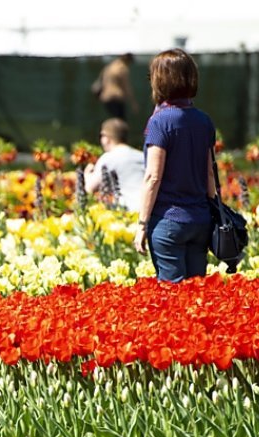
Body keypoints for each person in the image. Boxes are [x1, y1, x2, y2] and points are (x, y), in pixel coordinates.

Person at [133, 48, 217, 283]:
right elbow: (210, 173)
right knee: (196, 297)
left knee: (172, 303)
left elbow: (153, 177)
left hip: (168, 220)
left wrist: (142, 224)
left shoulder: (160, 122)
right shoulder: (204, 121)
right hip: (200, 220)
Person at [84, 118, 144, 211]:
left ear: (106, 138)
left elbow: (90, 188)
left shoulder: (108, 157)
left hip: (126, 213)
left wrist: (87, 174)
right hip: (148, 211)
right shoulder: (141, 156)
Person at [95, 53, 137, 122]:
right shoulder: (122, 68)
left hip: (105, 97)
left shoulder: (110, 66)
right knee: (121, 122)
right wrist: (133, 103)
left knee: (114, 120)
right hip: (116, 97)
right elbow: (126, 87)